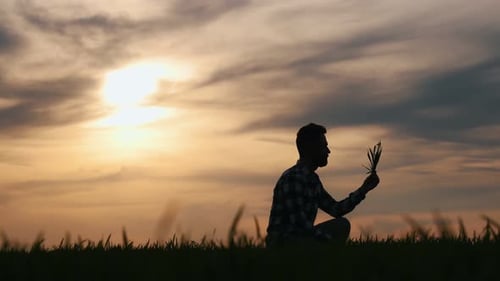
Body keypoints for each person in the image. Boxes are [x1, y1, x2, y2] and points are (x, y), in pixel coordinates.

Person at [266, 123, 380, 247]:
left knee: (342, 225)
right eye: (324, 146)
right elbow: (300, 226)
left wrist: (364, 189)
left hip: (302, 238)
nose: (328, 151)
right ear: (311, 148)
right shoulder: (293, 179)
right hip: (285, 244)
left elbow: (336, 209)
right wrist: (331, 243)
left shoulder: (312, 179)